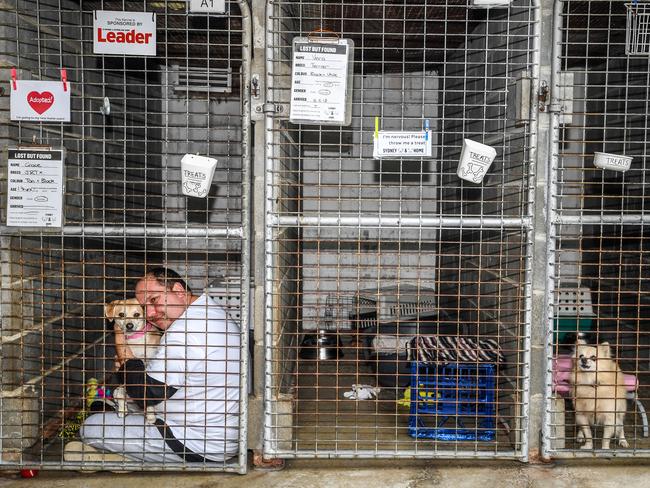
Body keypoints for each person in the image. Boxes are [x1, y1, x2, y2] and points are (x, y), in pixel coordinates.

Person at [69, 267, 241, 464]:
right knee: (124, 406)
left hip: (196, 443)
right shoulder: (208, 310)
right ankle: (125, 458)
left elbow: (147, 393)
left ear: (178, 291)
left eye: (154, 300)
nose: (149, 313)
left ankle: (123, 457)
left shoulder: (184, 332)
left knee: (91, 427)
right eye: (145, 307)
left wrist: (121, 342)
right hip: (220, 433)